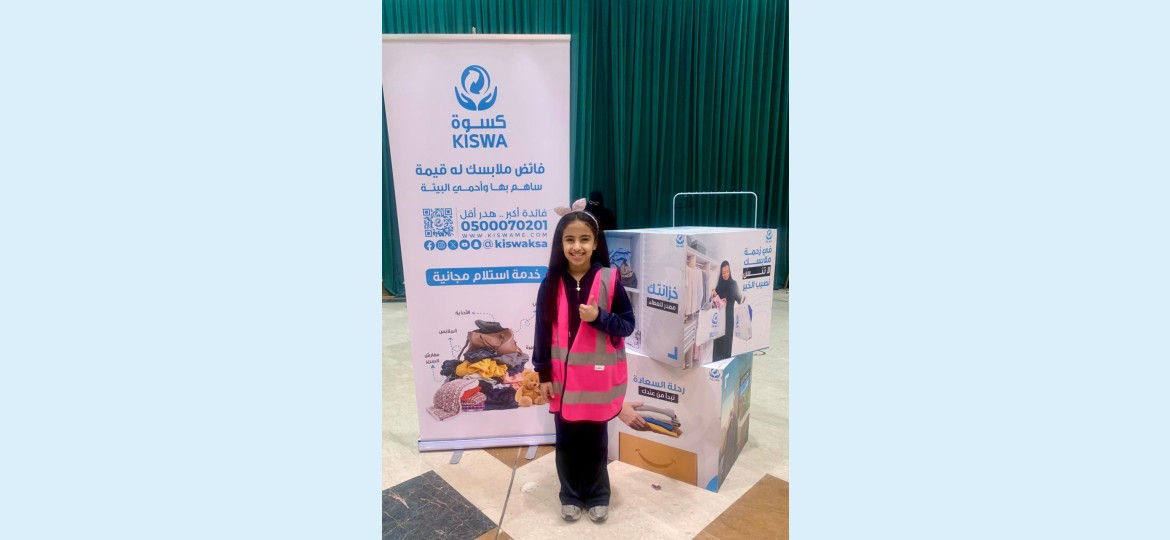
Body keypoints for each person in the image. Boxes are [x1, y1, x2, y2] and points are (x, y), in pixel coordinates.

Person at [532, 199, 636, 524]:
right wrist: (543, 373)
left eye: (584, 239)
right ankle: (570, 494)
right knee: (566, 440)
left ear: (595, 242)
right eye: (569, 239)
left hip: (596, 382)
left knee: (595, 440)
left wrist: (599, 317)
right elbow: (541, 332)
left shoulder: (610, 279)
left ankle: (598, 494)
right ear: (560, 244)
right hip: (562, 381)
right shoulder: (550, 283)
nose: (577, 247)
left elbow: (628, 325)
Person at [711, 260, 744, 360]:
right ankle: (715, 366)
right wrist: (714, 295)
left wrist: (746, 301)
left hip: (729, 322)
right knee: (718, 347)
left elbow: (740, 299)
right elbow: (713, 303)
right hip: (719, 321)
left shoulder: (734, 284)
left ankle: (725, 366)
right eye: (723, 272)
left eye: (727, 271)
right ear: (721, 273)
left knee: (727, 347)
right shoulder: (719, 285)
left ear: (730, 271)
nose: (726, 274)